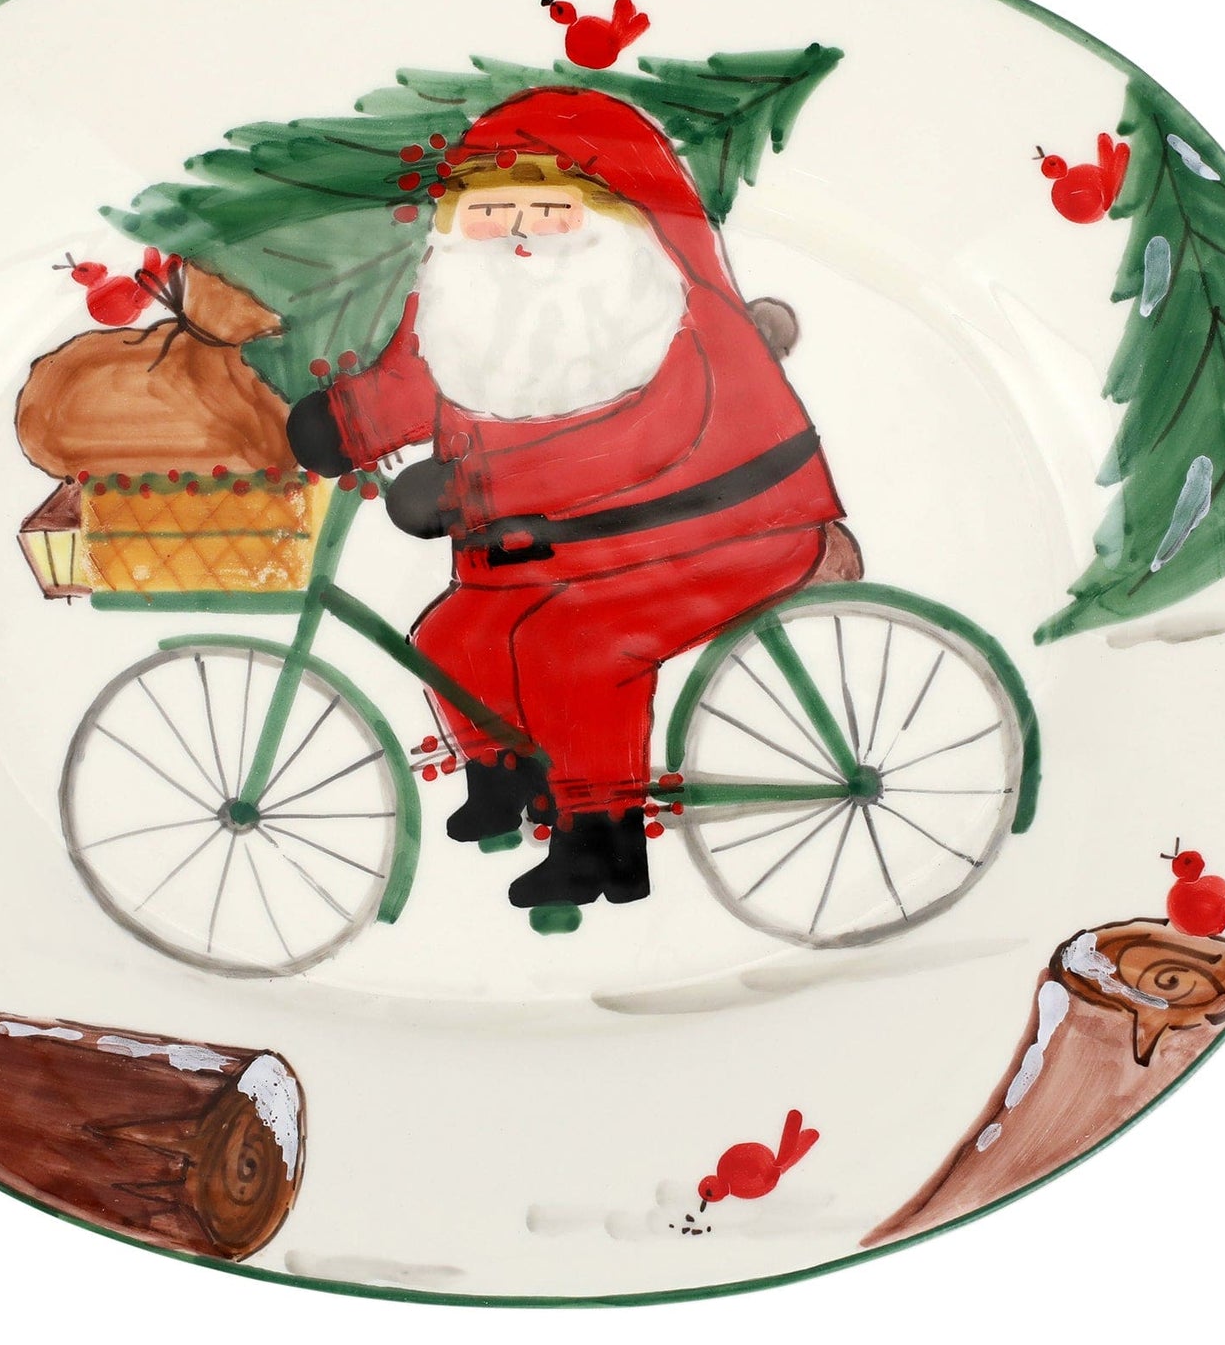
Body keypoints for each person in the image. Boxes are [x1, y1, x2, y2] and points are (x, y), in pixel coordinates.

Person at [288, 87, 849, 910]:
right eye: (492, 214)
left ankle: (603, 843)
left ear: (615, 221)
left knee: (574, 645)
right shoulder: (465, 304)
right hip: (563, 555)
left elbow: (637, 448)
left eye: (548, 212)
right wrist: (343, 424)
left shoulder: (669, 321)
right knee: (452, 635)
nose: (517, 234)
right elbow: (415, 381)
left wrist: (470, 488)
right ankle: (507, 777)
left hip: (719, 535)